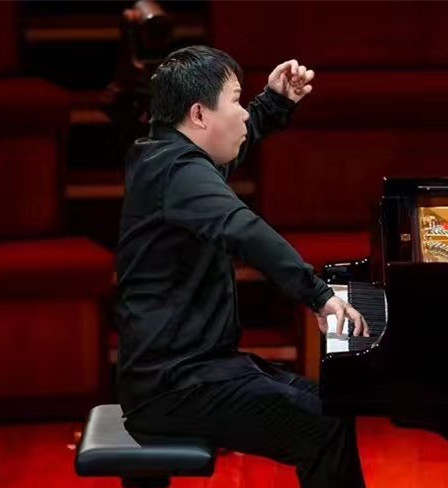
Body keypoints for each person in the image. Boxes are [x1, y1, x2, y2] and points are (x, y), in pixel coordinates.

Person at [114, 45, 369, 488]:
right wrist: (319, 295)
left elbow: (237, 141)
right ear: (199, 114)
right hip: (174, 386)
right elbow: (244, 229)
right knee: (324, 425)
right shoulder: (178, 172)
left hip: (193, 370)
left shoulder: (165, 155)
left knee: (331, 409)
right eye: (236, 100)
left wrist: (275, 102)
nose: (244, 113)